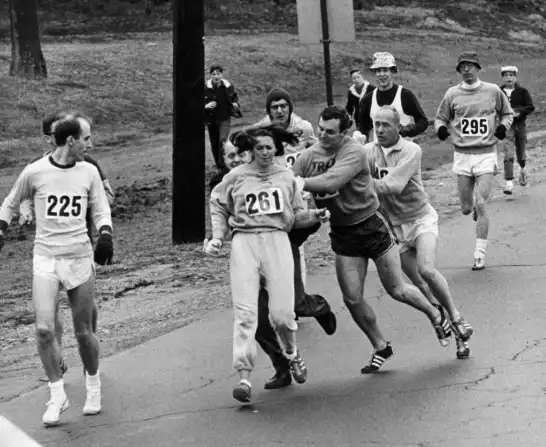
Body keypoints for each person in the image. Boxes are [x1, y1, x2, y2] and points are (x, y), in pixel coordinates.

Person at [293, 105, 452, 374]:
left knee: (397, 289)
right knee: (352, 298)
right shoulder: (308, 157)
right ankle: (381, 346)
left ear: (344, 133)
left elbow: (333, 181)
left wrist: (300, 183)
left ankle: (435, 313)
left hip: (371, 226)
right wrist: (298, 201)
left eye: (330, 132)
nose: (323, 135)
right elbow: (288, 182)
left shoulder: (354, 151)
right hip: (343, 233)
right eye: (320, 129)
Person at [0, 116, 114, 426]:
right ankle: (57, 393)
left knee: (82, 331)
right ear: (71, 141)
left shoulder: (88, 171)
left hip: (78, 257)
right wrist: (1, 228)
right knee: (44, 329)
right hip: (46, 257)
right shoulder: (35, 171)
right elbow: (10, 203)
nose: (89, 145)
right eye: (85, 140)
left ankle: (93, 384)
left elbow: (101, 207)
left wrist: (105, 234)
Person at [205, 125, 330, 404]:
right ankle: (244, 377)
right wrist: (217, 236)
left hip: (277, 241)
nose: (263, 152)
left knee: (282, 315)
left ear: (276, 150)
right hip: (245, 243)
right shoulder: (235, 177)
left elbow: (296, 215)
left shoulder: (286, 178)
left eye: (268, 148)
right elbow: (217, 202)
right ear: (251, 150)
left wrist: (314, 215)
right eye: (258, 148)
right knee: (246, 313)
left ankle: (292, 353)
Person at [364, 106, 474, 359]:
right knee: (422, 288)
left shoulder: (412, 150)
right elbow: (346, 164)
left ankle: (456, 317)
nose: (379, 130)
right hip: (393, 227)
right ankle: (456, 336)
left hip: (420, 219)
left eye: (385, 125)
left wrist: (360, 183)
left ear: (398, 127)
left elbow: (393, 185)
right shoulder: (368, 152)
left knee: (427, 269)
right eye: (376, 125)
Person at [18, 111, 115, 377]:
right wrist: (26, 211)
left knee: (85, 306)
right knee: (50, 310)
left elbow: (106, 195)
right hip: (50, 246)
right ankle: (57, 354)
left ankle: (89, 345)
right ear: (49, 137)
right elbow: (24, 194)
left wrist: (103, 217)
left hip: (81, 240)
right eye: (51, 135)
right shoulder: (39, 167)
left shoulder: (88, 163)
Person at [435, 51, 513, 271]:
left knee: (481, 202)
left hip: (486, 153)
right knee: (467, 208)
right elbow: (441, 118)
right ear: (459, 71)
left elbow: (508, 114)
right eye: (463, 66)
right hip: (462, 155)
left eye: (470, 65)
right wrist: (441, 129)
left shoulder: (493, 91)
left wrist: (502, 127)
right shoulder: (452, 94)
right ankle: (476, 210)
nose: (467, 69)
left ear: (478, 68)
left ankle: (479, 254)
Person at [357, 52, 428, 143]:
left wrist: (409, 130)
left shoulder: (405, 95)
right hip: (380, 153)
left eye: (385, 70)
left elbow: (423, 121)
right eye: (378, 70)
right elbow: (363, 128)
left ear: (392, 71)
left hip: (404, 153)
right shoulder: (368, 99)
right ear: (374, 73)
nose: (382, 74)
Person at [499, 65, 535, 194]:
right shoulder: (498, 92)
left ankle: (522, 169)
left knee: (521, 152)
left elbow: (531, 107)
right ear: (502, 77)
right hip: (506, 126)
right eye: (506, 75)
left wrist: (519, 111)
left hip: (520, 125)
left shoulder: (522, 92)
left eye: (511, 75)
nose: (509, 78)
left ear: (515, 77)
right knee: (508, 153)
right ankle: (509, 183)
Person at [205, 64, 242, 170]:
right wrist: (206, 106)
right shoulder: (205, 87)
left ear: (222, 74)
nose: (216, 76)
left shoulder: (228, 86)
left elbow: (234, 98)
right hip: (211, 120)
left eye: (218, 74)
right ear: (210, 75)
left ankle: (225, 165)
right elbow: (198, 101)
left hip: (225, 118)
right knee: (214, 144)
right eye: (214, 74)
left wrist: (235, 105)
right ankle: (219, 166)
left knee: (223, 140)